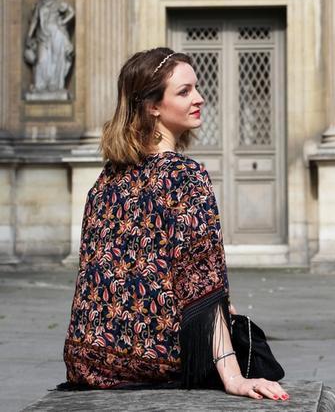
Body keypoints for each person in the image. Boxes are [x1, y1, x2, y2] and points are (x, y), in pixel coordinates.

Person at [64, 47, 289, 401]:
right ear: (153, 105)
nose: (199, 98)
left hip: (90, 360)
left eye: (196, 88)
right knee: (253, 347)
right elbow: (200, 283)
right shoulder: (185, 175)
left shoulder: (105, 182)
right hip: (159, 360)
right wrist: (232, 375)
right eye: (184, 92)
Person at [24, 0, 74, 95]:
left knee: (58, 58)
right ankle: (40, 86)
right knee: (41, 60)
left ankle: (56, 85)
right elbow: (35, 20)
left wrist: (63, 21)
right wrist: (29, 36)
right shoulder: (40, 2)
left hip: (56, 32)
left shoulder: (58, 0)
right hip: (42, 34)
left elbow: (71, 12)